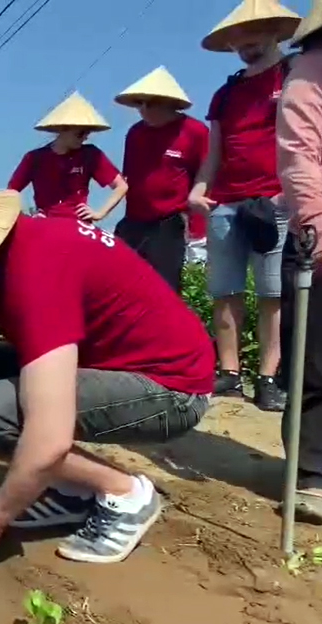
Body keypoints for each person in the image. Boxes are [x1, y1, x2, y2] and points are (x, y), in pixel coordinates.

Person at [0, 191, 214, 565]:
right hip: (110, 368)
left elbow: (50, 437)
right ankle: (71, 491)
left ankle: (127, 494)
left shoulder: (35, 268)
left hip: (171, 390)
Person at [189, 0, 302, 412]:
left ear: (275, 31)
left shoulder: (293, 74)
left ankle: (268, 378)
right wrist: (199, 189)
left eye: (252, 35)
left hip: (275, 199)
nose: (244, 44)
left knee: (273, 293)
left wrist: (291, 190)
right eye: (237, 38)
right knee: (225, 291)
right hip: (225, 201)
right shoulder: (226, 92)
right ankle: (230, 374)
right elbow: (216, 149)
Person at [277, 0, 322, 520]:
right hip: (317, 237)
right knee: (315, 362)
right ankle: (311, 473)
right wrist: (314, 230)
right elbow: (299, 159)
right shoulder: (307, 78)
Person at [113, 67, 209, 293]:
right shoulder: (135, 133)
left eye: (151, 103)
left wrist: (198, 231)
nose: (144, 110)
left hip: (172, 221)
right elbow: (130, 179)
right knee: (122, 283)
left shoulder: (194, 131)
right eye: (140, 103)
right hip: (135, 221)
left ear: (169, 103)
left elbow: (205, 179)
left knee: (166, 289)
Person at [8, 92, 128, 223]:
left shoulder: (91, 154)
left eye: (87, 133)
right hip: (46, 224)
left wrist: (100, 213)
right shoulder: (34, 158)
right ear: (63, 129)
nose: (85, 137)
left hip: (78, 224)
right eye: (80, 133)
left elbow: (121, 186)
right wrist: (24, 218)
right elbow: (11, 192)